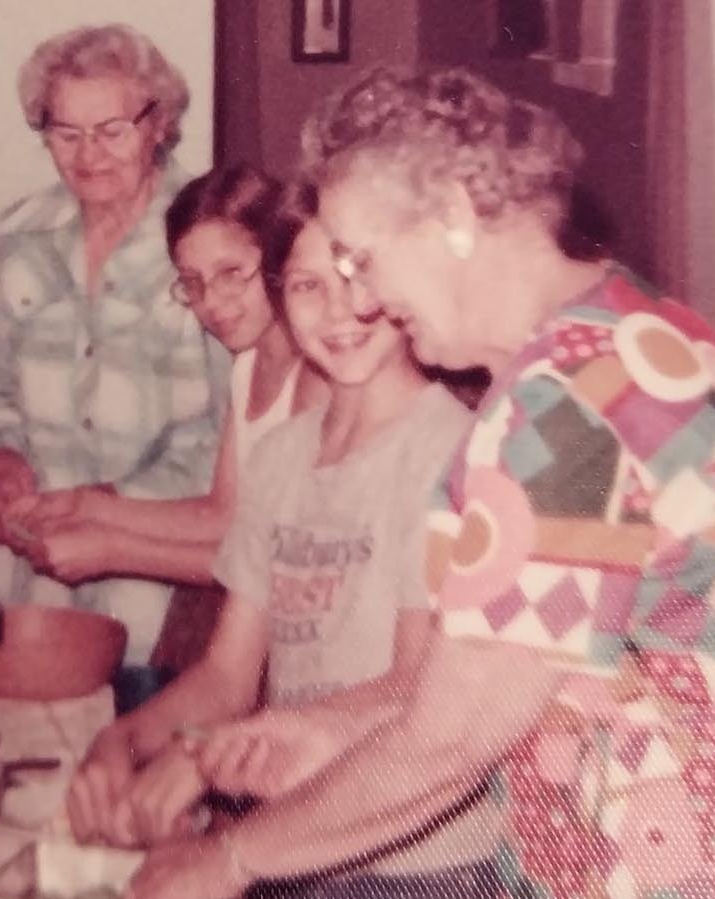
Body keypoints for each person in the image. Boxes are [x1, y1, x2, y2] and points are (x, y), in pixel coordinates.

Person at [126, 67, 715, 899]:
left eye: (364, 259)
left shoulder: (562, 411)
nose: (361, 296)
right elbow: (520, 666)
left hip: (692, 861)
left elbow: (452, 740)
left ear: (455, 220)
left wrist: (228, 859)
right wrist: (333, 723)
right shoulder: (633, 328)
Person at [69, 183, 502, 898]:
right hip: (290, 835)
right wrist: (123, 740)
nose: (338, 312)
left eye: (355, 279)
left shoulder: (448, 453)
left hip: (417, 857)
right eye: (306, 285)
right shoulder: (281, 458)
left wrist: (206, 756)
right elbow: (227, 677)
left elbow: (415, 686)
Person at [0, 24, 228, 675]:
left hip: (154, 585)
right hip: (24, 582)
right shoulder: (17, 235)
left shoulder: (209, 241)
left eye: (111, 130)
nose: (89, 155)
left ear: (158, 123)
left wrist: (104, 504)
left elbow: (226, 435)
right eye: (65, 133)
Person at [11, 165, 324, 591]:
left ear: (278, 257)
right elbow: (220, 515)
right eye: (193, 283)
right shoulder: (247, 367)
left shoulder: (317, 378)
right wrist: (84, 506)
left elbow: (279, 559)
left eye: (231, 273)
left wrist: (114, 550)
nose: (211, 302)